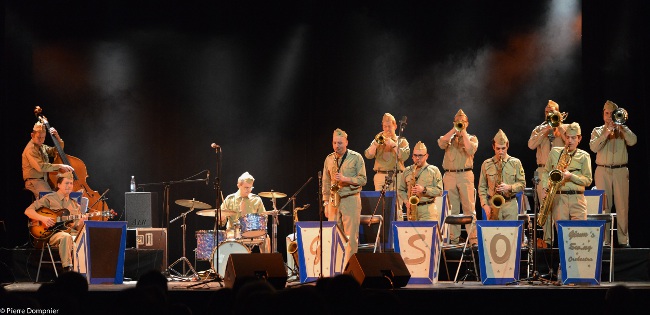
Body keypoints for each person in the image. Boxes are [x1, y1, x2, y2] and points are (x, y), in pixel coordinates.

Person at [589, 100, 637, 248]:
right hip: (602, 170)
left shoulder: (622, 129)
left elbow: (633, 141)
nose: (609, 116)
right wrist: (606, 133)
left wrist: (621, 127)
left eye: (612, 113)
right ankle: (605, 241)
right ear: (603, 114)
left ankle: (623, 241)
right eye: (606, 113)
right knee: (604, 206)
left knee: (622, 206)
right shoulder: (597, 130)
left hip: (620, 170)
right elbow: (593, 147)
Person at [322, 128, 367, 266]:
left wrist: (345, 179)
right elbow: (326, 181)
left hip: (351, 198)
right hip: (333, 202)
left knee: (351, 238)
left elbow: (363, 180)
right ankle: (335, 269)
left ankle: (350, 270)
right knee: (333, 236)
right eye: (335, 143)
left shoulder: (356, 157)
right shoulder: (329, 158)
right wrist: (325, 202)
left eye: (340, 143)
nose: (337, 146)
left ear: (346, 142)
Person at [24, 172, 85, 272]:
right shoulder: (49, 199)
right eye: (66, 183)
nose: (69, 186)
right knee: (66, 237)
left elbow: (76, 227)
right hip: (53, 234)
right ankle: (67, 269)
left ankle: (86, 271)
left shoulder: (75, 205)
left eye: (71, 183)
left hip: (71, 233)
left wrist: (82, 221)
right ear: (59, 185)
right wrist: (43, 218)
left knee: (85, 237)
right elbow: (28, 211)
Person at [528, 100, 568, 247]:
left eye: (552, 111)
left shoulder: (565, 128)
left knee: (560, 207)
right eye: (546, 111)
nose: (549, 114)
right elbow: (531, 145)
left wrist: (559, 127)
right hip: (543, 170)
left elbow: (570, 144)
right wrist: (545, 130)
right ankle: (548, 241)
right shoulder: (539, 129)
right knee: (544, 207)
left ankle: (563, 242)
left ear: (558, 112)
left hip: (559, 171)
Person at [437, 109, 478, 245]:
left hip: (465, 174)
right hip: (450, 175)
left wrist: (463, 132)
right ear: (454, 123)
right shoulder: (450, 138)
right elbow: (441, 143)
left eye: (463, 122)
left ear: (467, 123)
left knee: (469, 207)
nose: (460, 124)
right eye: (457, 122)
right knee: (452, 209)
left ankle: (473, 239)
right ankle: (454, 239)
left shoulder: (472, 138)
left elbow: (470, 149)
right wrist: (453, 131)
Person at [364, 113, 410, 220]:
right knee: (381, 207)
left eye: (389, 126)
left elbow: (404, 156)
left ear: (395, 126)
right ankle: (383, 233)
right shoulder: (378, 139)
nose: (387, 129)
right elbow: (368, 155)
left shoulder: (402, 141)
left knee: (397, 207)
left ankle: (396, 233)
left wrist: (393, 144)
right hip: (380, 177)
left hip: (397, 176)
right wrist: (375, 144)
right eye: (385, 127)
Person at [478, 130, 526, 221]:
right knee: (494, 234)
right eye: (498, 148)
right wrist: (485, 205)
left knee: (511, 234)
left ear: (507, 146)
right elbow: (482, 187)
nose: (500, 152)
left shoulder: (515, 162)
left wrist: (509, 187)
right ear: (493, 147)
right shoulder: (487, 164)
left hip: (510, 204)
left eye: (503, 148)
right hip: (493, 205)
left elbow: (522, 184)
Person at [22, 122, 75, 199]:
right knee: (52, 199)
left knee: (63, 194)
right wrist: (60, 166)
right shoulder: (31, 149)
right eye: (39, 137)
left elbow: (55, 151)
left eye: (43, 137)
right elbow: (40, 167)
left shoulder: (42, 147)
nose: (41, 140)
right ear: (32, 135)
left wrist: (58, 138)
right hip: (34, 181)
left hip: (45, 180)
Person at [220, 172, 270, 252]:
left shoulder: (256, 199)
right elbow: (221, 222)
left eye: (250, 187)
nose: (249, 190)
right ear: (239, 186)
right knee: (226, 236)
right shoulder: (230, 199)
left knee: (266, 237)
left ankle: (266, 262)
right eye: (246, 187)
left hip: (252, 231)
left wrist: (259, 229)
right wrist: (221, 219)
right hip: (233, 232)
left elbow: (264, 217)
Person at [397, 141, 443, 221]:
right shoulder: (407, 170)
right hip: (411, 210)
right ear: (412, 156)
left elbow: (440, 191)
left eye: (420, 155)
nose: (417, 158)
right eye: (415, 155)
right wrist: (406, 201)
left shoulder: (434, 170)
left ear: (426, 156)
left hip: (428, 210)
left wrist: (424, 190)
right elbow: (401, 190)